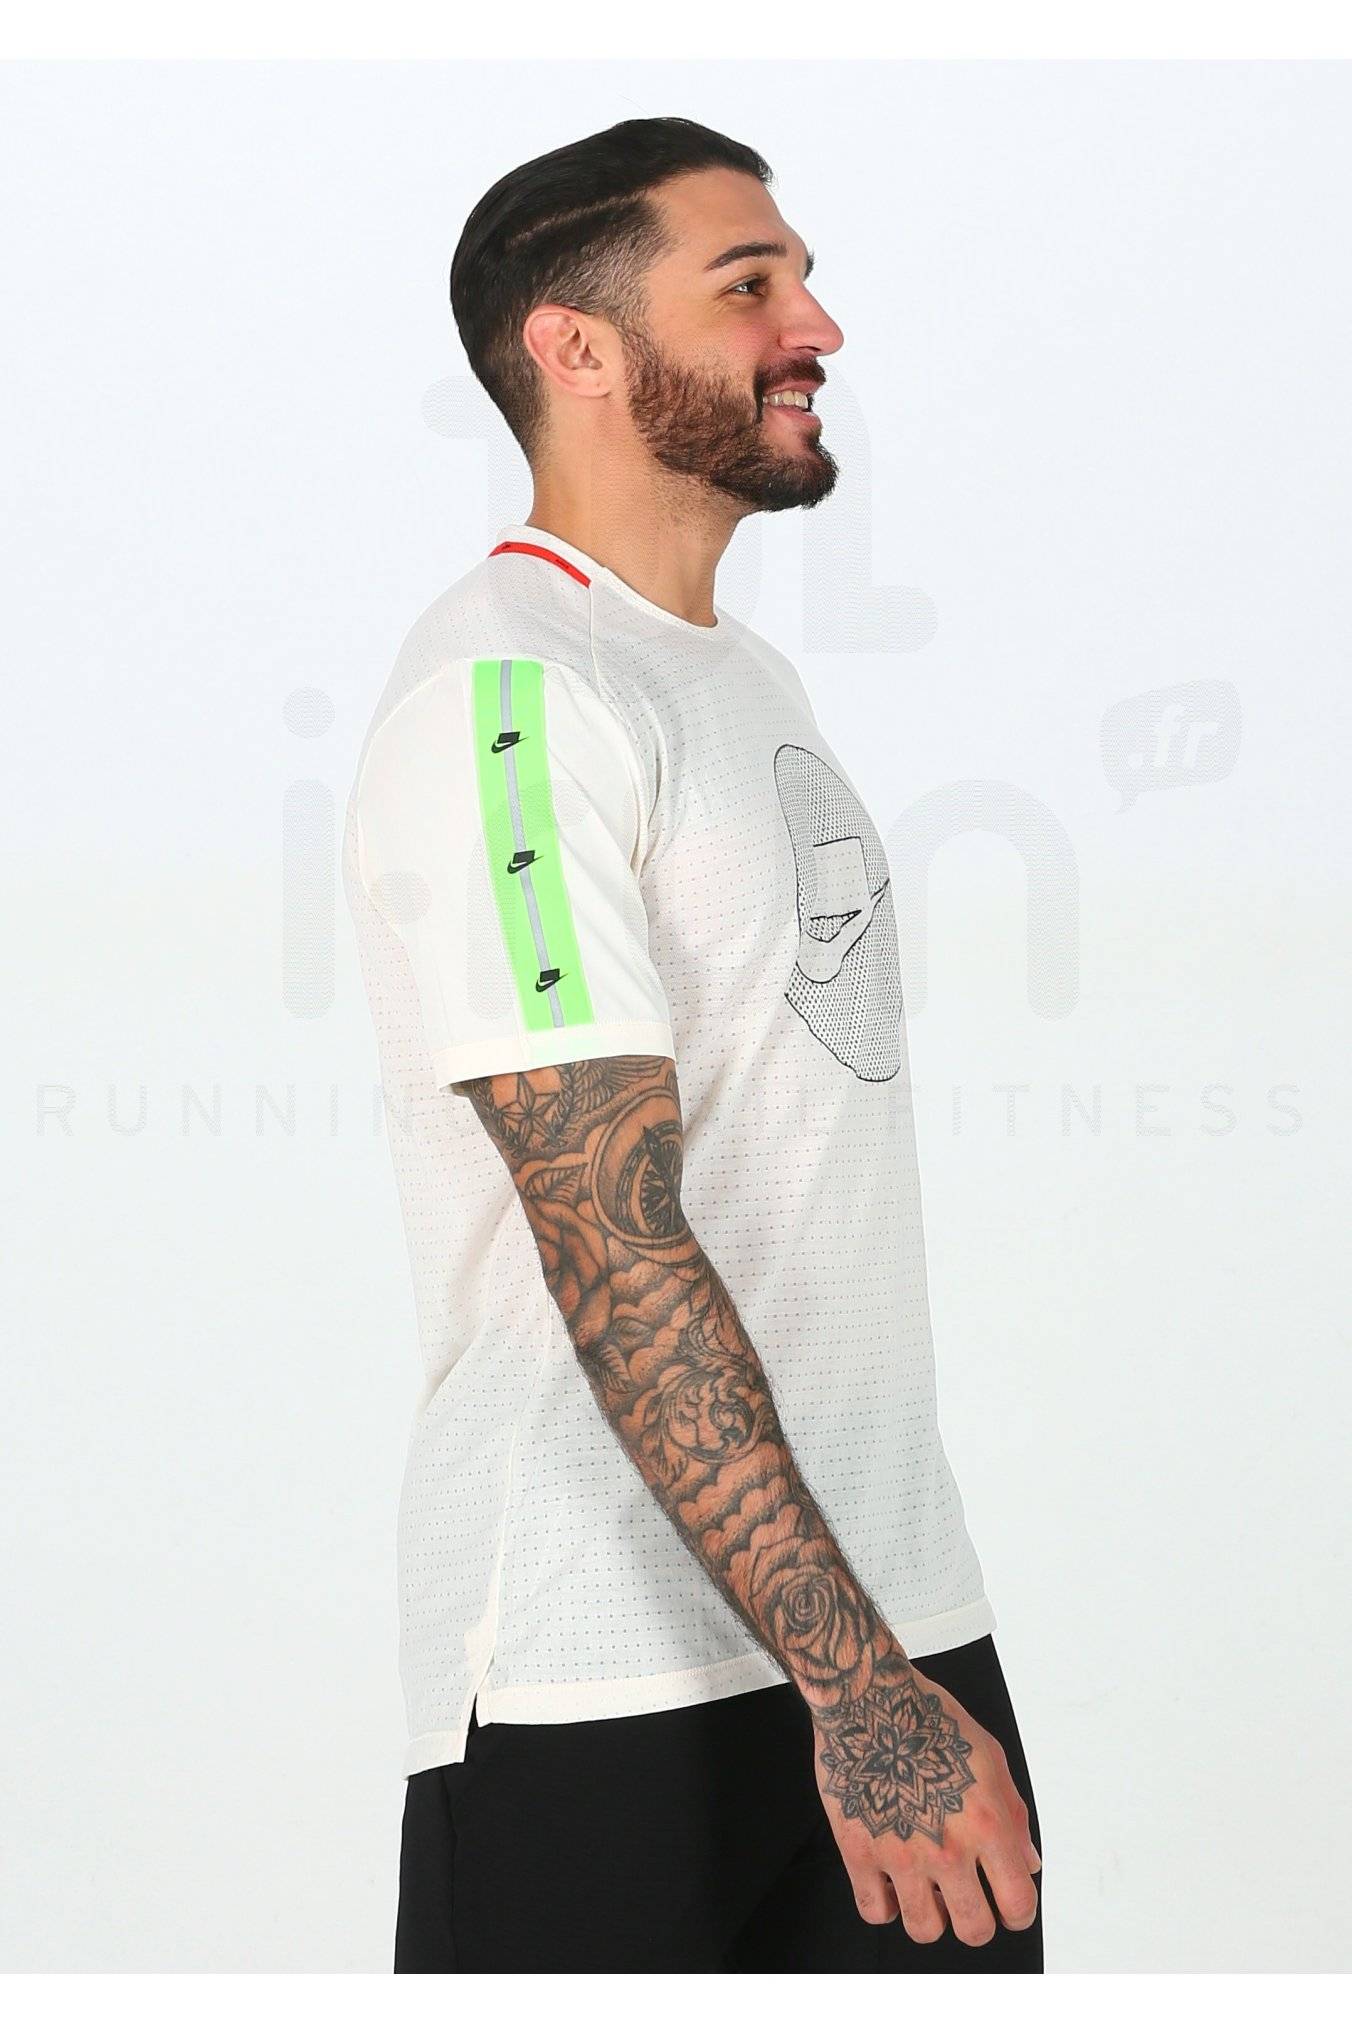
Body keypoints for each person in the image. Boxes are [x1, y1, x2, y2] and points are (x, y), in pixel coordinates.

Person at [344, 114, 1044, 1974]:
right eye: (749, 286)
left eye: (800, 277)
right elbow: (611, 1232)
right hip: (611, 1677)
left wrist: (882, 1665)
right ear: (573, 347)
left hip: (884, 1620)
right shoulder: (511, 692)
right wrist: (861, 1691)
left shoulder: (731, 677)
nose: (816, 326)